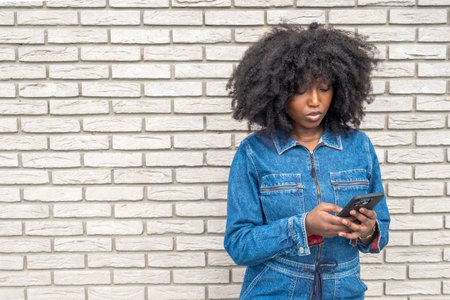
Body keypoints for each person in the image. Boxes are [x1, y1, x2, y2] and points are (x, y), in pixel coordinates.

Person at [224, 22, 390, 300]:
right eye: (301, 90)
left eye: (324, 88)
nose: (315, 100)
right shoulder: (254, 153)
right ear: (278, 92)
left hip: (345, 291)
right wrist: (302, 227)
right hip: (274, 292)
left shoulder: (358, 146)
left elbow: (380, 231)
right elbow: (239, 245)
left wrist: (368, 230)